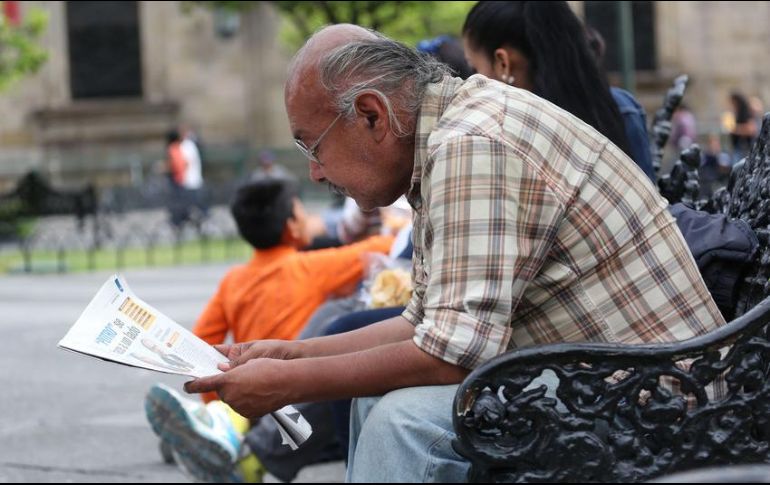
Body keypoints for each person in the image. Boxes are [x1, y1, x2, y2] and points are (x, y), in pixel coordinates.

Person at [168, 24, 723, 482]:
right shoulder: (448, 135)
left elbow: (451, 354)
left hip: (657, 400)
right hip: (606, 377)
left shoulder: (469, 145)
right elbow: (425, 324)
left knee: (404, 422)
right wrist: (290, 355)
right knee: (377, 401)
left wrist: (289, 385)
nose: (314, 172)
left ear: (371, 114)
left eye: (313, 147)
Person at [145, 177, 394, 480]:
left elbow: (202, 342)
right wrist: (393, 226)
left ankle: (219, 422)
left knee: (240, 416)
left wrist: (222, 400)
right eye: (305, 214)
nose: (314, 220)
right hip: (292, 397)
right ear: (292, 226)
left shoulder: (233, 279)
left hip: (245, 389)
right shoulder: (312, 266)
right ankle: (227, 433)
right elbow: (378, 249)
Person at [461, 2, 657, 182]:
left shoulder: (498, 136)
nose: (471, 82)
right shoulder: (623, 107)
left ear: (503, 63)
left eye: (474, 69)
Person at [728, 91, 759, 163]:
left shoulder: (746, 113)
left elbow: (751, 129)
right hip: (738, 148)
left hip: (744, 148)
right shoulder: (736, 114)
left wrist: (735, 129)